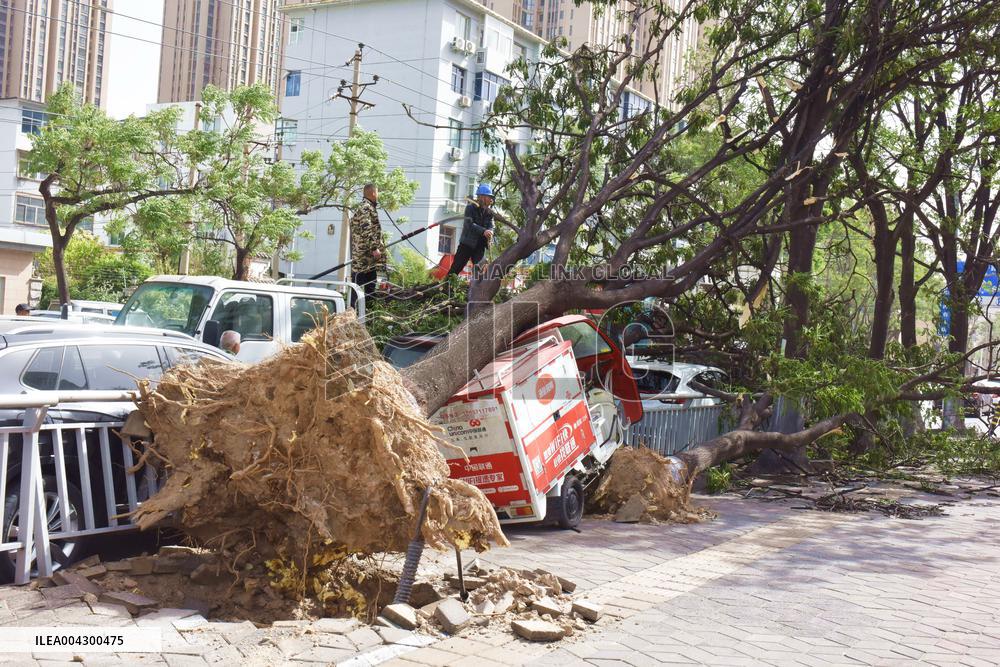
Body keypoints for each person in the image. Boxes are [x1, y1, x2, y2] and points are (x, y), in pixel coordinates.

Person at [350, 183, 387, 308]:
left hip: (368, 261)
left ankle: (368, 318)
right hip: (363, 260)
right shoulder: (365, 208)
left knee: (370, 290)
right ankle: (354, 318)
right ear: (373, 193)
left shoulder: (370, 207)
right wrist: (374, 248)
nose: (379, 195)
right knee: (358, 291)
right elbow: (366, 229)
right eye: (378, 192)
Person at [448, 184, 495, 279]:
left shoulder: (489, 212)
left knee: (480, 269)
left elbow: (491, 225)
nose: (489, 200)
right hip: (467, 244)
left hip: (480, 246)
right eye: (487, 197)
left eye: (490, 197)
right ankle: (446, 287)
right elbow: (469, 224)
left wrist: (490, 231)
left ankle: (477, 290)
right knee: (456, 268)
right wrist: (484, 231)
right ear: (481, 197)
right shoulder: (470, 208)